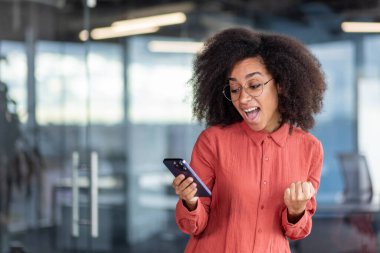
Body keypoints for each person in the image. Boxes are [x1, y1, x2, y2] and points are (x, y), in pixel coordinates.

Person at [171, 27, 326, 253]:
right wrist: (190, 201)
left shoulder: (310, 149)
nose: (243, 98)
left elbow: (296, 231)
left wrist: (296, 211)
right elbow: (192, 224)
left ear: (281, 86)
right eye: (234, 89)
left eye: (254, 85)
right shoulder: (213, 141)